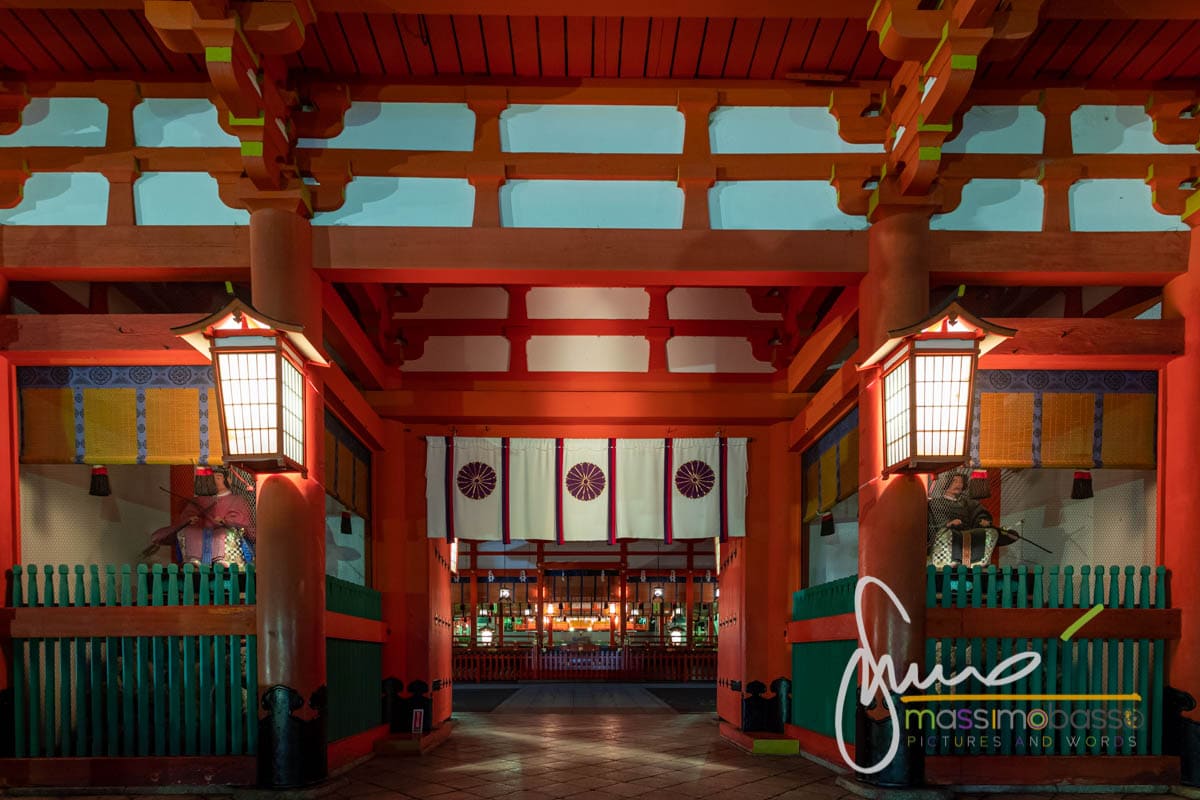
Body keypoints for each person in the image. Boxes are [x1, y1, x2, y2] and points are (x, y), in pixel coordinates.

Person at [147, 467, 255, 566]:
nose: (215, 482)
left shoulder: (237, 500)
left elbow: (240, 519)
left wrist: (225, 520)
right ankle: (193, 560)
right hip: (202, 530)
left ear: (229, 481)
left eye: (218, 478)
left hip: (225, 529)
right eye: (211, 479)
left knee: (222, 534)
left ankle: (221, 560)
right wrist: (191, 519)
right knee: (190, 530)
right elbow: (189, 514)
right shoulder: (199, 500)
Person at [927, 471, 993, 557]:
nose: (958, 484)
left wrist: (982, 521)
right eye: (955, 481)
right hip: (945, 540)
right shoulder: (936, 503)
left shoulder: (969, 503)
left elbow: (979, 513)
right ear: (945, 483)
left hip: (967, 538)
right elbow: (931, 523)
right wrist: (948, 524)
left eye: (961, 482)